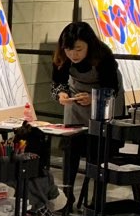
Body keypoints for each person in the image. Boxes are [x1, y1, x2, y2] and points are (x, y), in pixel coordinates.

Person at [51, 22, 124, 202]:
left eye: (78, 49)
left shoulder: (103, 56)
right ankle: (67, 197)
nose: (73, 55)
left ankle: (97, 200)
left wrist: (93, 98)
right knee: (71, 146)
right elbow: (57, 83)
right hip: (76, 99)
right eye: (69, 50)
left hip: (104, 100)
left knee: (97, 150)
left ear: (89, 45)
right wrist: (61, 94)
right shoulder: (62, 56)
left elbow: (112, 88)